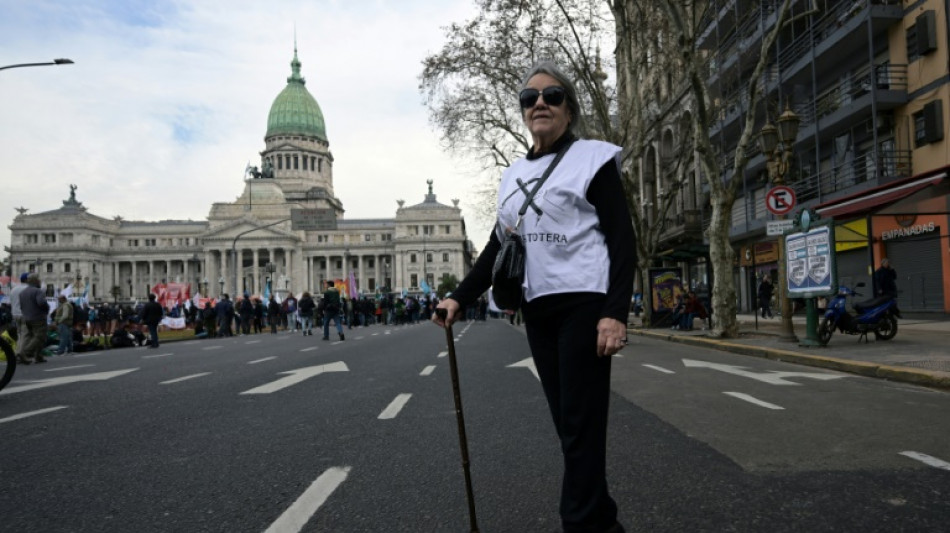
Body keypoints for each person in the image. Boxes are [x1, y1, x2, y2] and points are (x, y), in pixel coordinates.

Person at [432, 61, 633, 533]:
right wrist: (458, 298)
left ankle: (579, 524)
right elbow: (498, 246)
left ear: (569, 108)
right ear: (522, 112)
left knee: (581, 428)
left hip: (584, 302)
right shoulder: (513, 174)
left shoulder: (594, 158)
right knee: (570, 426)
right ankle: (603, 524)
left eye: (552, 95)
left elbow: (622, 240)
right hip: (538, 310)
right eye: (529, 98)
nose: (539, 103)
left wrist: (614, 314)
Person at [18, 273, 50, 364]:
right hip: (38, 317)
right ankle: (25, 353)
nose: (40, 281)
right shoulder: (38, 291)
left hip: (26, 317)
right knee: (40, 337)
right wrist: (47, 308)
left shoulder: (22, 293)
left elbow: (21, 306)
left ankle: (38, 356)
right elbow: (41, 303)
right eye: (39, 280)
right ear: (35, 281)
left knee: (30, 336)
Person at [9, 273, 29, 359]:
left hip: (15, 314)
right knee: (25, 334)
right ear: (27, 280)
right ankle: (21, 352)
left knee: (19, 334)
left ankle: (17, 352)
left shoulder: (14, 289)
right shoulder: (28, 289)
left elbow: (11, 302)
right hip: (24, 314)